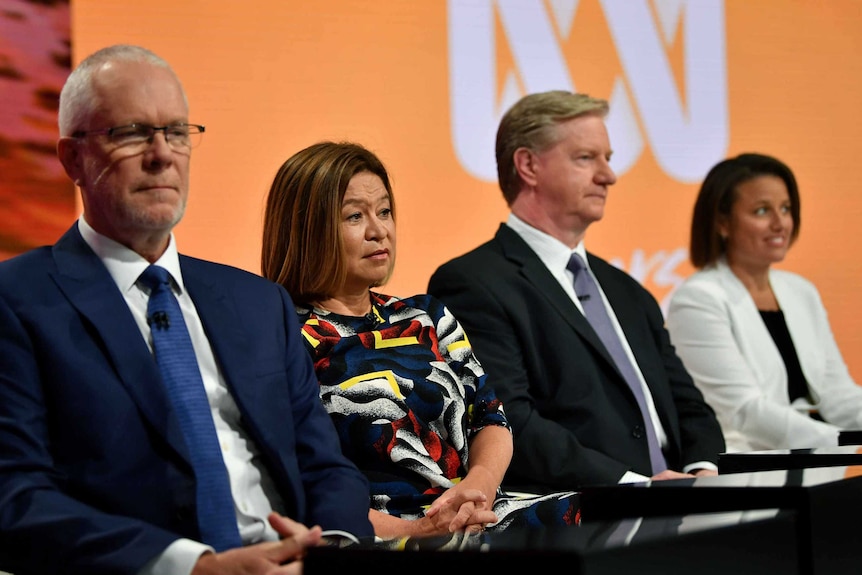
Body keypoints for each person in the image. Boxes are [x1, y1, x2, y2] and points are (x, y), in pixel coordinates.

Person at [0, 45, 373, 575]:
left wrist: (331, 546)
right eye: (130, 132)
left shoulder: (257, 302)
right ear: (72, 158)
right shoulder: (17, 300)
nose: (162, 154)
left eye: (177, 132)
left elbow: (326, 466)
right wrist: (193, 566)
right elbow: (15, 497)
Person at [260, 141, 580, 539]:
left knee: (599, 516)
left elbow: (491, 417)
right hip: (379, 532)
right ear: (306, 229)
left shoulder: (425, 315)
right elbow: (299, 480)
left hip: (473, 513)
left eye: (385, 212)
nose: (379, 231)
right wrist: (418, 532)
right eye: (355, 216)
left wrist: (478, 485)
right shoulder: (279, 334)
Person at [427, 90, 725, 492]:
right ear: (529, 165)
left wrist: (702, 471)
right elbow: (510, 420)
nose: (609, 175)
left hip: (683, 504)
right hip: (583, 517)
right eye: (587, 158)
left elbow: (688, 405)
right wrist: (635, 486)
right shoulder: (473, 284)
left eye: (608, 158)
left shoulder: (627, 291)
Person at [666, 153, 862, 452]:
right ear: (722, 223)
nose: (780, 223)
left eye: (785, 209)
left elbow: (838, 394)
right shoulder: (698, 299)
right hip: (746, 470)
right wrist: (842, 441)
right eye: (761, 211)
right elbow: (745, 412)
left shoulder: (801, 292)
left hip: (818, 461)